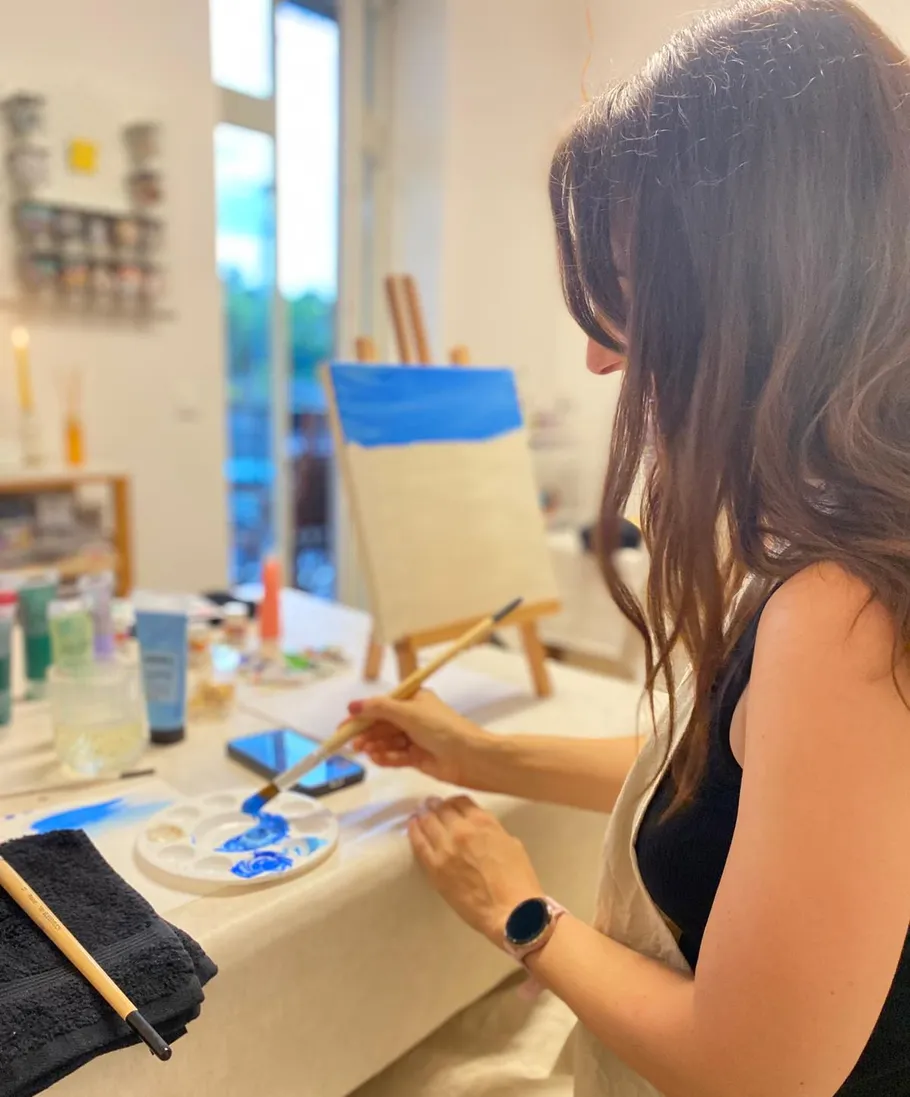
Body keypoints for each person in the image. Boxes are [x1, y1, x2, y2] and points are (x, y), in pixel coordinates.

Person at [350, 1, 910, 1094]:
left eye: (632, 300)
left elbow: (755, 1068)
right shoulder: (844, 537)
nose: (607, 362)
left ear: (758, 289)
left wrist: (520, 908)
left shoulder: (844, 605)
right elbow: (749, 791)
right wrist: (481, 755)